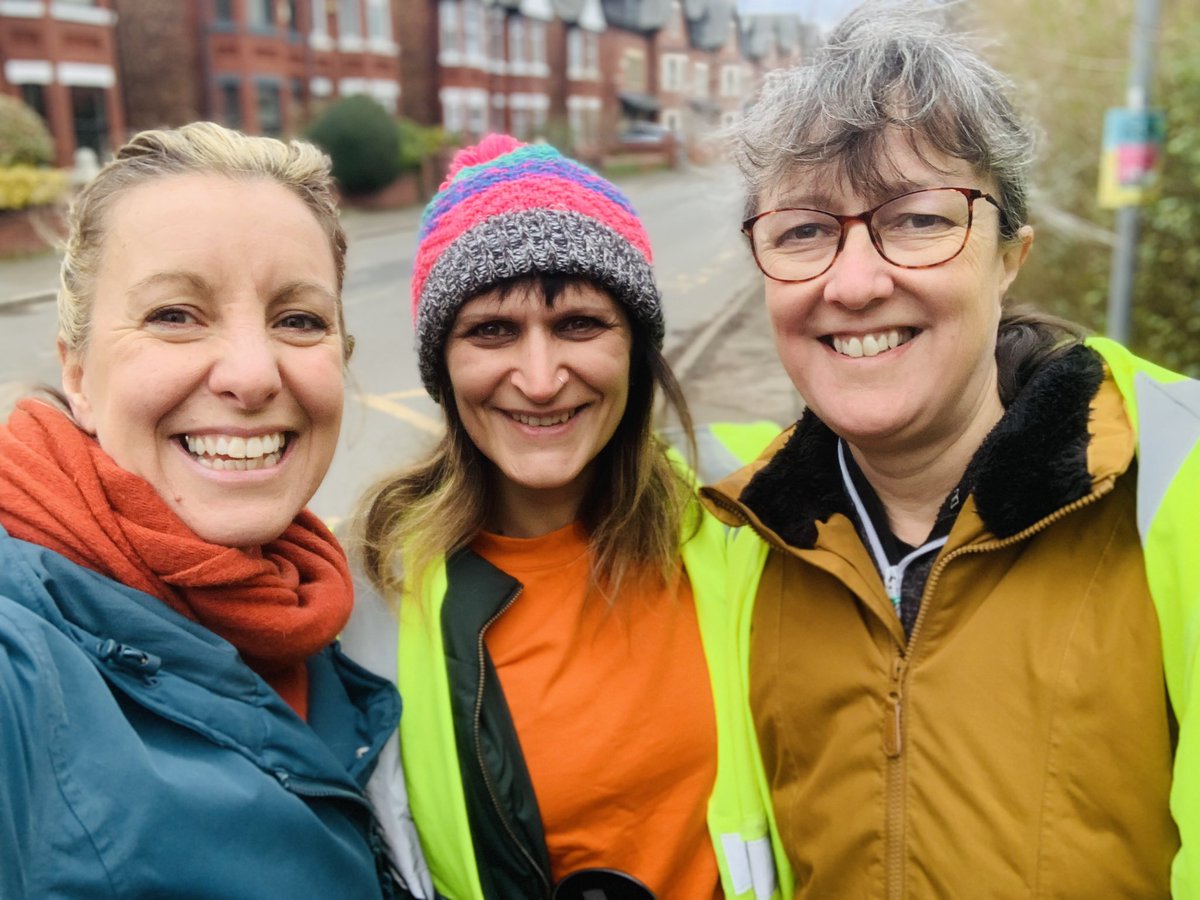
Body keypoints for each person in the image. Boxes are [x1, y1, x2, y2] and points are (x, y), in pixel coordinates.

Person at [701, 3, 1200, 897]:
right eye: (804, 231)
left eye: (919, 220)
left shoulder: (1176, 485)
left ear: (1010, 254)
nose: (854, 283)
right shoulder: (738, 539)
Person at [343, 134, 787, 900]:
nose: (542, 379)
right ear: (441, 365)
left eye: (580, 323)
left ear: (637, 347)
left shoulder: (759, 508)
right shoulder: (367, 590)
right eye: (491, 331)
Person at [0, 122, 415, 898]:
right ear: (79, 373)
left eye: (298, 319)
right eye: (175, 314)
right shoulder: (16, 663)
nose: (254, 375)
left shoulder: (323, 613)